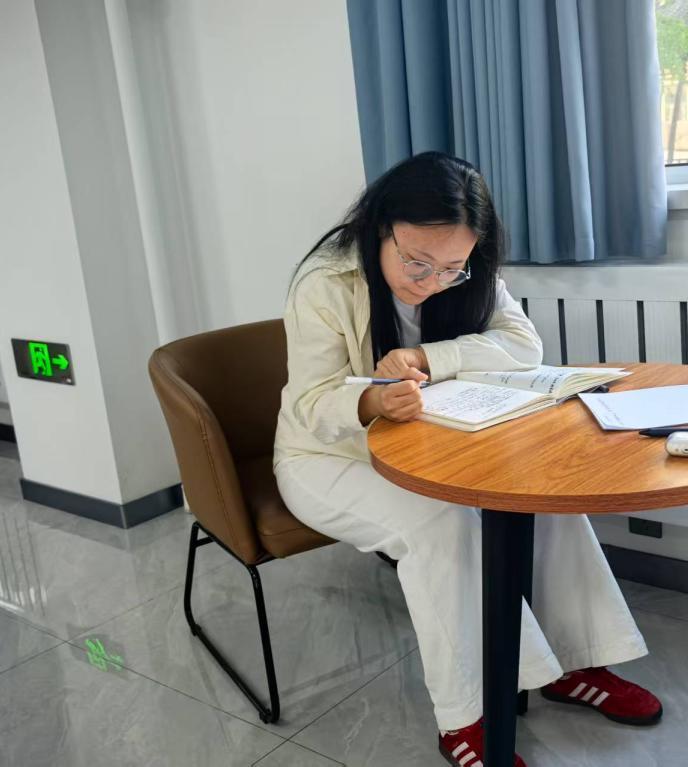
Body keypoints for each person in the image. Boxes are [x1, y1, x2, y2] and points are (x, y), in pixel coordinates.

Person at [274, 152, 661, 767]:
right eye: (416, 262)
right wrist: (373, 400)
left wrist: (428, 359)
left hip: (433, 445)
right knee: (441, 525)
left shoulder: (466, 269)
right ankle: (465, 717)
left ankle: (575, 665)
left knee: (541, 499)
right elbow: (310, 403)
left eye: (451, 269)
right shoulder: (326, 281)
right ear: (381, 227)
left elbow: (523, 344)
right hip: (325, 456)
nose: (431, 282)